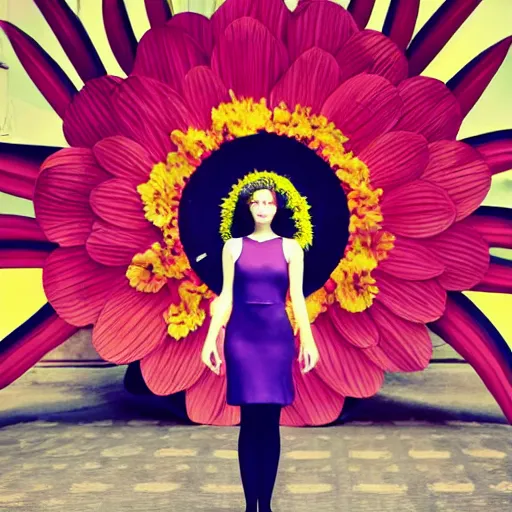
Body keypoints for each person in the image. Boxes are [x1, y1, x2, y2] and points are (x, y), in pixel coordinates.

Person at [201, 183, 320, 512]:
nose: (263, 208)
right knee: (248, 420)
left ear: (277, 208)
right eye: (257, 202)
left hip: (276, 339)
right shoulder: (233, 247)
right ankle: (248, 505)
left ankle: (264, 505)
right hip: (241, 337)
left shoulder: (292, 248)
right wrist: (211, 339)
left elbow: (297, 297)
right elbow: (225, 296)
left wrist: (307, 340)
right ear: (248, 207)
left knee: (270, 420)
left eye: (269, 202)